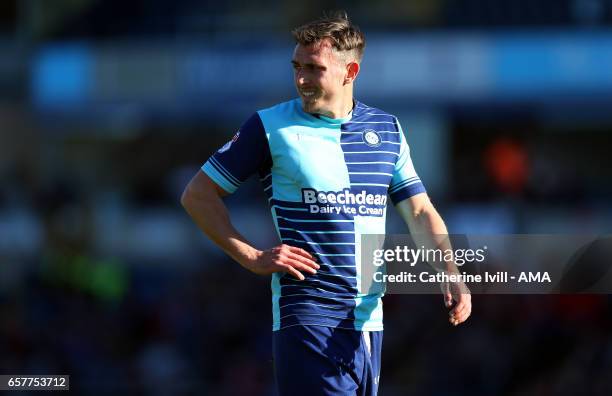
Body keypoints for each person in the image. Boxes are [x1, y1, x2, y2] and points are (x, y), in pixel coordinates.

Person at [181, 11, 471, 396]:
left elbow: (419, 211)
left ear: (349, 71)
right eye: (296, 67)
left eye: (313, 68)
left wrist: (449, 271)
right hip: (308, 318)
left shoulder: (387, 129)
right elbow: (198, 195)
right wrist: (250, 256)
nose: (301, 78)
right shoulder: (269, 127)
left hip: (369, 323)